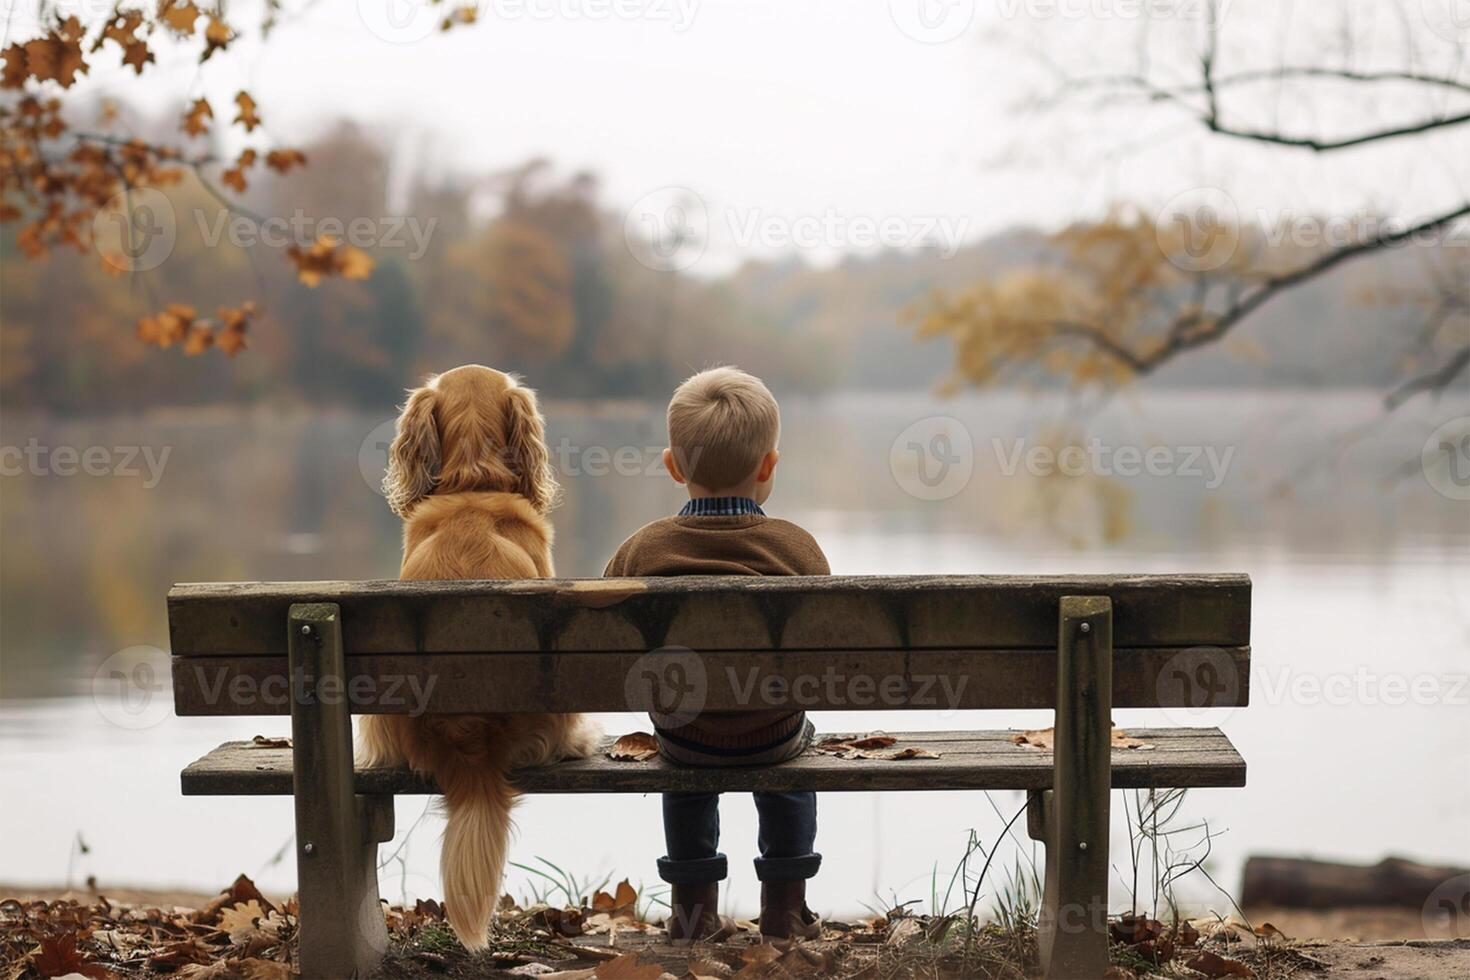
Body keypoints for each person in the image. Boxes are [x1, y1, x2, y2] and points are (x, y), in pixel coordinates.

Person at [603, 366, 829, 942]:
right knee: (792, 761)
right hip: (773, 732)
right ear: (768, 466)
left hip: (685, 736)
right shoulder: (797, 549)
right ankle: (784, 908)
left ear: (673, 466)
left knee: (683, 759)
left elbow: (597, 633)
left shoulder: (641, 551)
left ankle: (693, 912)